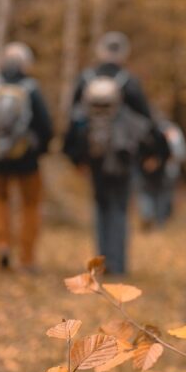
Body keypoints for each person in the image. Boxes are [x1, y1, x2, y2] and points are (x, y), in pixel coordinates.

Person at [64, 32, 163, 275]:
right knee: (119, 207)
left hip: (94, 156)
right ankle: (118, 265)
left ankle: (101, 263)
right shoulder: (129, 82)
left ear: (100, 51)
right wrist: (153, 153)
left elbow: (73, 121)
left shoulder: (86, 80)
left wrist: (75, 157)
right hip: (123, 156)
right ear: (123, 53)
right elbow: (147, 121)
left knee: (100, 206)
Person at [0, 42, 53, 272]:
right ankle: (27, 258)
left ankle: (2, 245)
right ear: (26, 64)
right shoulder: (31, 89)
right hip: (27, 160)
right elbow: (46, 127)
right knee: (30, 205)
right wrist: (38, 150)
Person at [137, 117, 186, 227]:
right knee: (157, 193)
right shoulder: (169, 130)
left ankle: (157, 217)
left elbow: (179, 153)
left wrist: (157, 161)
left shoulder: (169, 131)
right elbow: (181, 153)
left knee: (159, 193)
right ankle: (156, 218)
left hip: (166, 170)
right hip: (160, 170)